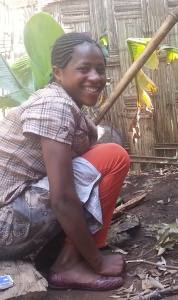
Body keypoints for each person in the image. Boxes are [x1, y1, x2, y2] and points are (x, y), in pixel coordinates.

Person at [0, 32, 130, 291]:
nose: (96, 77)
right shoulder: (55, 106)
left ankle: (65, 254)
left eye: (100, 70)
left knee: (97, 154)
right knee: (112, 156)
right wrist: (98, 261)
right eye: (84, 69)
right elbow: (62, 198)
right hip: (5, 227)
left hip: (9, 221)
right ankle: (68, 265)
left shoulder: (56, 101)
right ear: (58, 73)